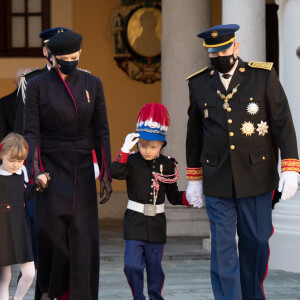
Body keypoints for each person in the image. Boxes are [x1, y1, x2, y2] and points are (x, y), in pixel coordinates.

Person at [185, 24, 300, 300]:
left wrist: (291, 167)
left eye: (224, 49)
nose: (219, 55)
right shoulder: (199, 82)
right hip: (217, 178)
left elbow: (282, 123)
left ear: (236, 47)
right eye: (213, 52)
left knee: (257, 242)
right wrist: (194, 178)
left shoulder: (262, 76)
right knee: (223, 248)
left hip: (256, 176)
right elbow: (195, 135)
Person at [23, 30, 112, 300]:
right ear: (53, 57)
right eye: (64, 58)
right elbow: (31, 132)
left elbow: (101, 131)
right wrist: (36, 169)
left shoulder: (92, 83)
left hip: (82, 168)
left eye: (75, 57)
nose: (70, 62)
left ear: (80, 54)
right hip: (50, 168)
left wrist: (106, 175)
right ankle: (51, 291)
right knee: (52, 237)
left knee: (83, 240)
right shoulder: (37, 85)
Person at [111, 102, 191, 300]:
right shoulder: (131, 160)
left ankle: (155, 297)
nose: (147, 150)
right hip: (134, 221)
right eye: (143, 145)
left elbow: (173, 195)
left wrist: (189, 198)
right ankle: (138, 297)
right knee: (131, 264)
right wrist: (125, 149)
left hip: (156, 223)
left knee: (155, 269)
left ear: (162, 145)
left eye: (153, 146)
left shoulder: (168, 165)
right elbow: (116, 172)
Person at [0, 133, 49, 300]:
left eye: (20, 161)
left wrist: (38, 186)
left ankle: (17, 298)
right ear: (1, 155)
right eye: (11, 160)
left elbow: (24, 197)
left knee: (29, 273)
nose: (15, 164)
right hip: (2, 227)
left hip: (19, 226)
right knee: (4, 277)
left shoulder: (22, 172)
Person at [0, 68, 30, 141]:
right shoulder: (4, 103)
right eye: (22, 80)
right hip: (15, 148)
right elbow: (1, 131)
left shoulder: (43, 99)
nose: (26, 83)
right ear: (15, 82)